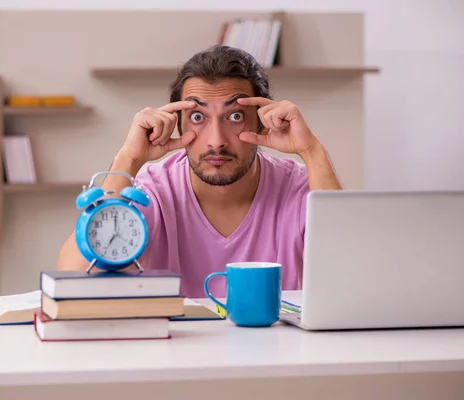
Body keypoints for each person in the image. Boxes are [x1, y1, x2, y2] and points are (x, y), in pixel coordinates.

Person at [57, 45, 343, 297]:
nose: (216, 140)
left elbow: (349, 266)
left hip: (279, 351)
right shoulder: (153, 188)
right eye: (198, 117)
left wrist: (312, 151)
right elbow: (75, 276)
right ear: (177, 124)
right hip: (177, 353)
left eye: (235, 116)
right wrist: (128, 158)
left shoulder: (297, 186)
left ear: (261, 122)